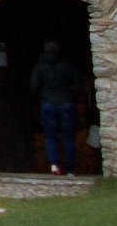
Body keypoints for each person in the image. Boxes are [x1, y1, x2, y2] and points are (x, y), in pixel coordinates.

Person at [29, 39, 81, 175]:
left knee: (50, 136)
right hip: (67, 102)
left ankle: (54, 164)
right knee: (68, 136)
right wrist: (73, 97)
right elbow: (78, 85)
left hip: (47, 103)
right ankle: (70, 169)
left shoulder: (39, 66)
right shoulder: (68, 65)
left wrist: (36, 100)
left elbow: (34, 86)